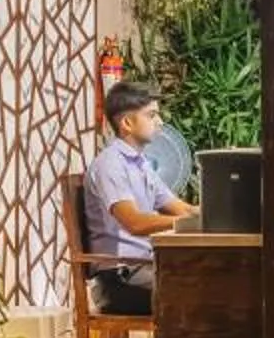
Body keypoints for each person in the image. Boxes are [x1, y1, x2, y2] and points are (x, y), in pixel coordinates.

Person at [83, 81, 194, 313]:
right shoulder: (110, 164)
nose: (160, 123)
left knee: (214, 283)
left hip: (144, 268)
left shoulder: (142, 164)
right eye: (152, 115)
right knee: (199, 295)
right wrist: (189, 224)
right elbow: (134, 222)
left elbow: (180, 208)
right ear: (127, 123)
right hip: (119, 279)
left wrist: (221, 215)